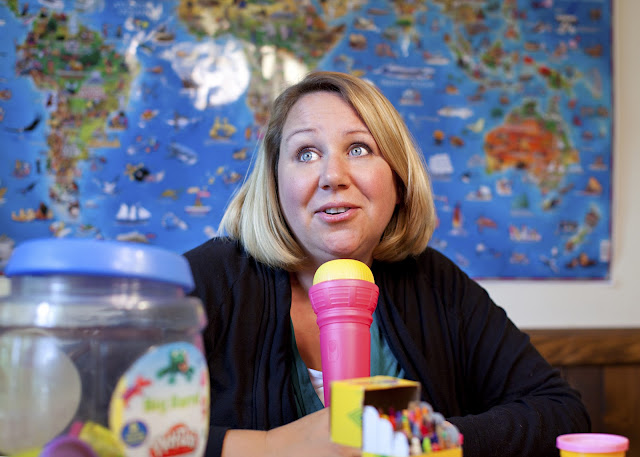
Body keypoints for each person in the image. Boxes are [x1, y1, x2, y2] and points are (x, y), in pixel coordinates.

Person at [185, 71, 590, 457]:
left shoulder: (436, 283)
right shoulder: (205, 281)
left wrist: (428, 442)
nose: (332, 176)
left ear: (398, 180)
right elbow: (142, 432)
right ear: (275, 185)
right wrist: (271, 447)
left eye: (358, 149)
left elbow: (561, 412)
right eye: (306, 153)